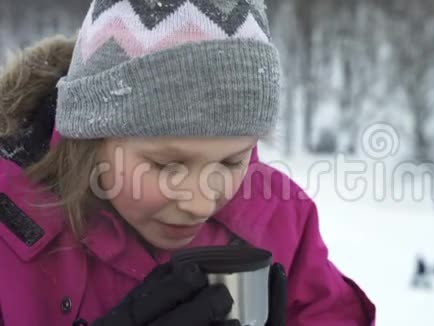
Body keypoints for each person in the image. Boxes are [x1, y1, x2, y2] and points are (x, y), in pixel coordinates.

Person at [0, 0, 375, 325]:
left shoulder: (281, 218)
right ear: (91, 135)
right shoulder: (10, 224)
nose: (199, 202)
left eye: (230, 162)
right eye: (168, 167)